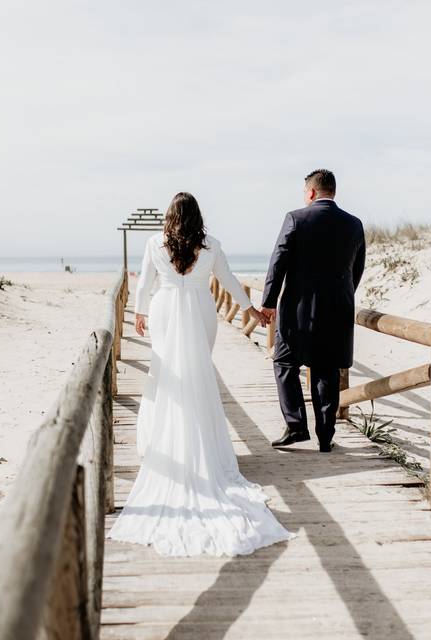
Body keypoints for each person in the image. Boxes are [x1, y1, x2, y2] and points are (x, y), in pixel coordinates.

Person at [107, 192, 295, 556]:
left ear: (169, 217)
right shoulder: (211, 245)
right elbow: (227, 280)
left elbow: (144, 284)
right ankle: (201, 444)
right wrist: (251, 310)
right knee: (197, 371)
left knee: (165, 374)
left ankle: (164, 442)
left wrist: (140, 313)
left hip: (164, 309)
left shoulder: (153, 243)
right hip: (200, 311)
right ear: (197, 217)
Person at [261, 169, 366, 453]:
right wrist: (342, 296)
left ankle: (296, 426)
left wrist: (269, 303)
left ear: (310, 192)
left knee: (285, 364)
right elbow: (357, 268)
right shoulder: (354, 224)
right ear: (333, 192)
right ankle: (325, 436)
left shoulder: (296, 218)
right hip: (338, 310)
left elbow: (278, 262)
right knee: (327, 370)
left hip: (297, 311)